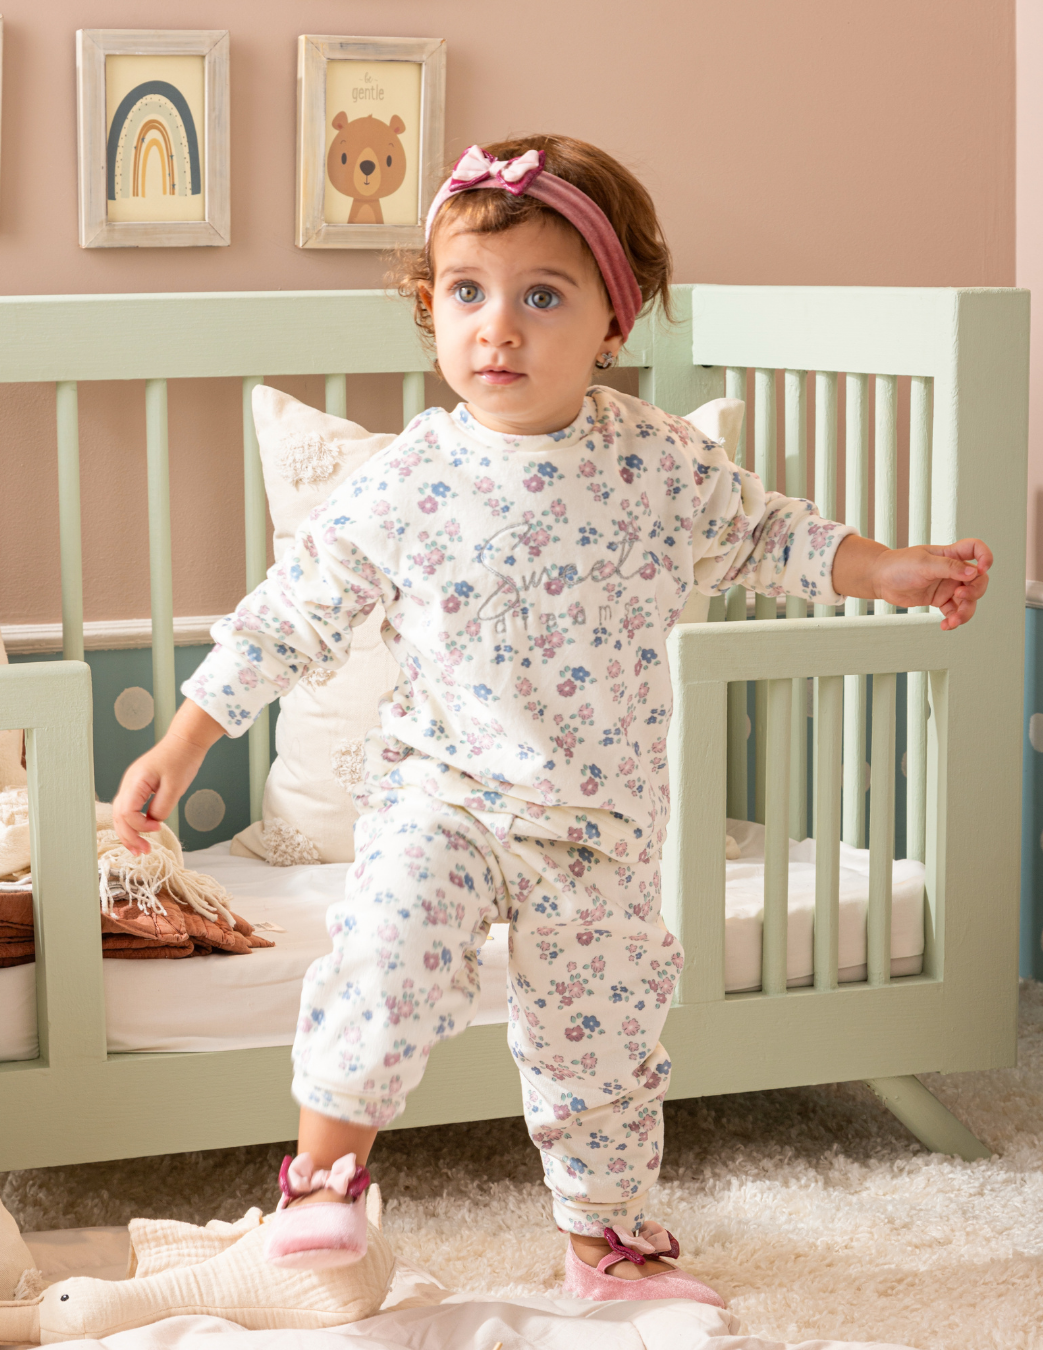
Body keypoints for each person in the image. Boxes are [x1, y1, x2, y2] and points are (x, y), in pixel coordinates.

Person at [112, 135, 991, 1302]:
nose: (499, 329)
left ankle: (607, 1247)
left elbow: (772, 534)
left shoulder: (659, 462)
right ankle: (322, 1188)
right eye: (467, 294)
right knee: (384, 950)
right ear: (431, 310)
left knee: (604, 1042)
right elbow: (291, 614)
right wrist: (185, 739)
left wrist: (891, 571)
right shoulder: (409, 478)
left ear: (614, 322)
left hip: (599, 824)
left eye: (542, 297)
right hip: (442, 795)